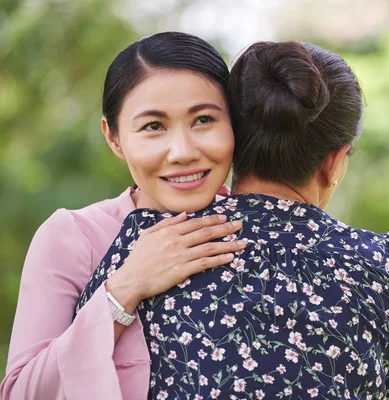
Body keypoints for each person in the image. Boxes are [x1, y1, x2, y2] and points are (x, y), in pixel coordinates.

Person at [77, 40, 389, 399]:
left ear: (235, 136)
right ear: (335, 162)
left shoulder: (150, 244)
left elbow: (76, 377)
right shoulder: (380, 269)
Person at [0, 32, 247, 400]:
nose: (182, 152)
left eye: (203, 120)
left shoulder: (264, 229)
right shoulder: (72, 236)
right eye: (153, 126)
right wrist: (125, 288)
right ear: (114, 138)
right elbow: (22, 393)